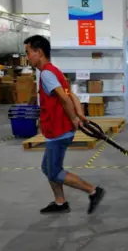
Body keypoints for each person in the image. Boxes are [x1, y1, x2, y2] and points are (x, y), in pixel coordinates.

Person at [24, 35, 106, 214]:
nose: (27, 57)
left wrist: (75, 118)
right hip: (57, 129)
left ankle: (92, 191)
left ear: (39, 52)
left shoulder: (46, 73)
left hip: (58, 131)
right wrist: (80, 114)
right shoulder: (54, 71)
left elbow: (63, 98)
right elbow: (71, 95)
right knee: (47, 168)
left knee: (54, 171)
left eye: (28, 53)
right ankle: (60, 202)